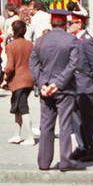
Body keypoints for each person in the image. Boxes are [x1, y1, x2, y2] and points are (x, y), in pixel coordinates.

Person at [30, 10, 82, 172]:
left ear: (51, 23)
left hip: (45, 89)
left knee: (46, 125)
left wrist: (42, 84)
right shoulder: (71, 40)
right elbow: (72, 65)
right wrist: (58, 84)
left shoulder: (40, 41)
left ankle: (44, 162)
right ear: (65, 24)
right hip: (65, 89)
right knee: (65, 124)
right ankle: (66, 161)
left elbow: (33, 64)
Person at [68, 12, 93, 162]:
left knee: (89, 119)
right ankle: (82, 146)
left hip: (85, 82)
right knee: (76, 119)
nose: (68, 26)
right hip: (75, 83)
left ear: (79, 24)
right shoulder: (75, 39)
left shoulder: (87, 40)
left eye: (71, 23)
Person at [2, 20, 35, 145]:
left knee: (22, 107)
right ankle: (17, 134)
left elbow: (10, 66)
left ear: (14, 31)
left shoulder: (11, 46)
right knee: (17, 107)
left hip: (17, 80)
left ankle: (30, 137)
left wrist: (5, 76)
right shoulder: (30, 45)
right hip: (29, 78)